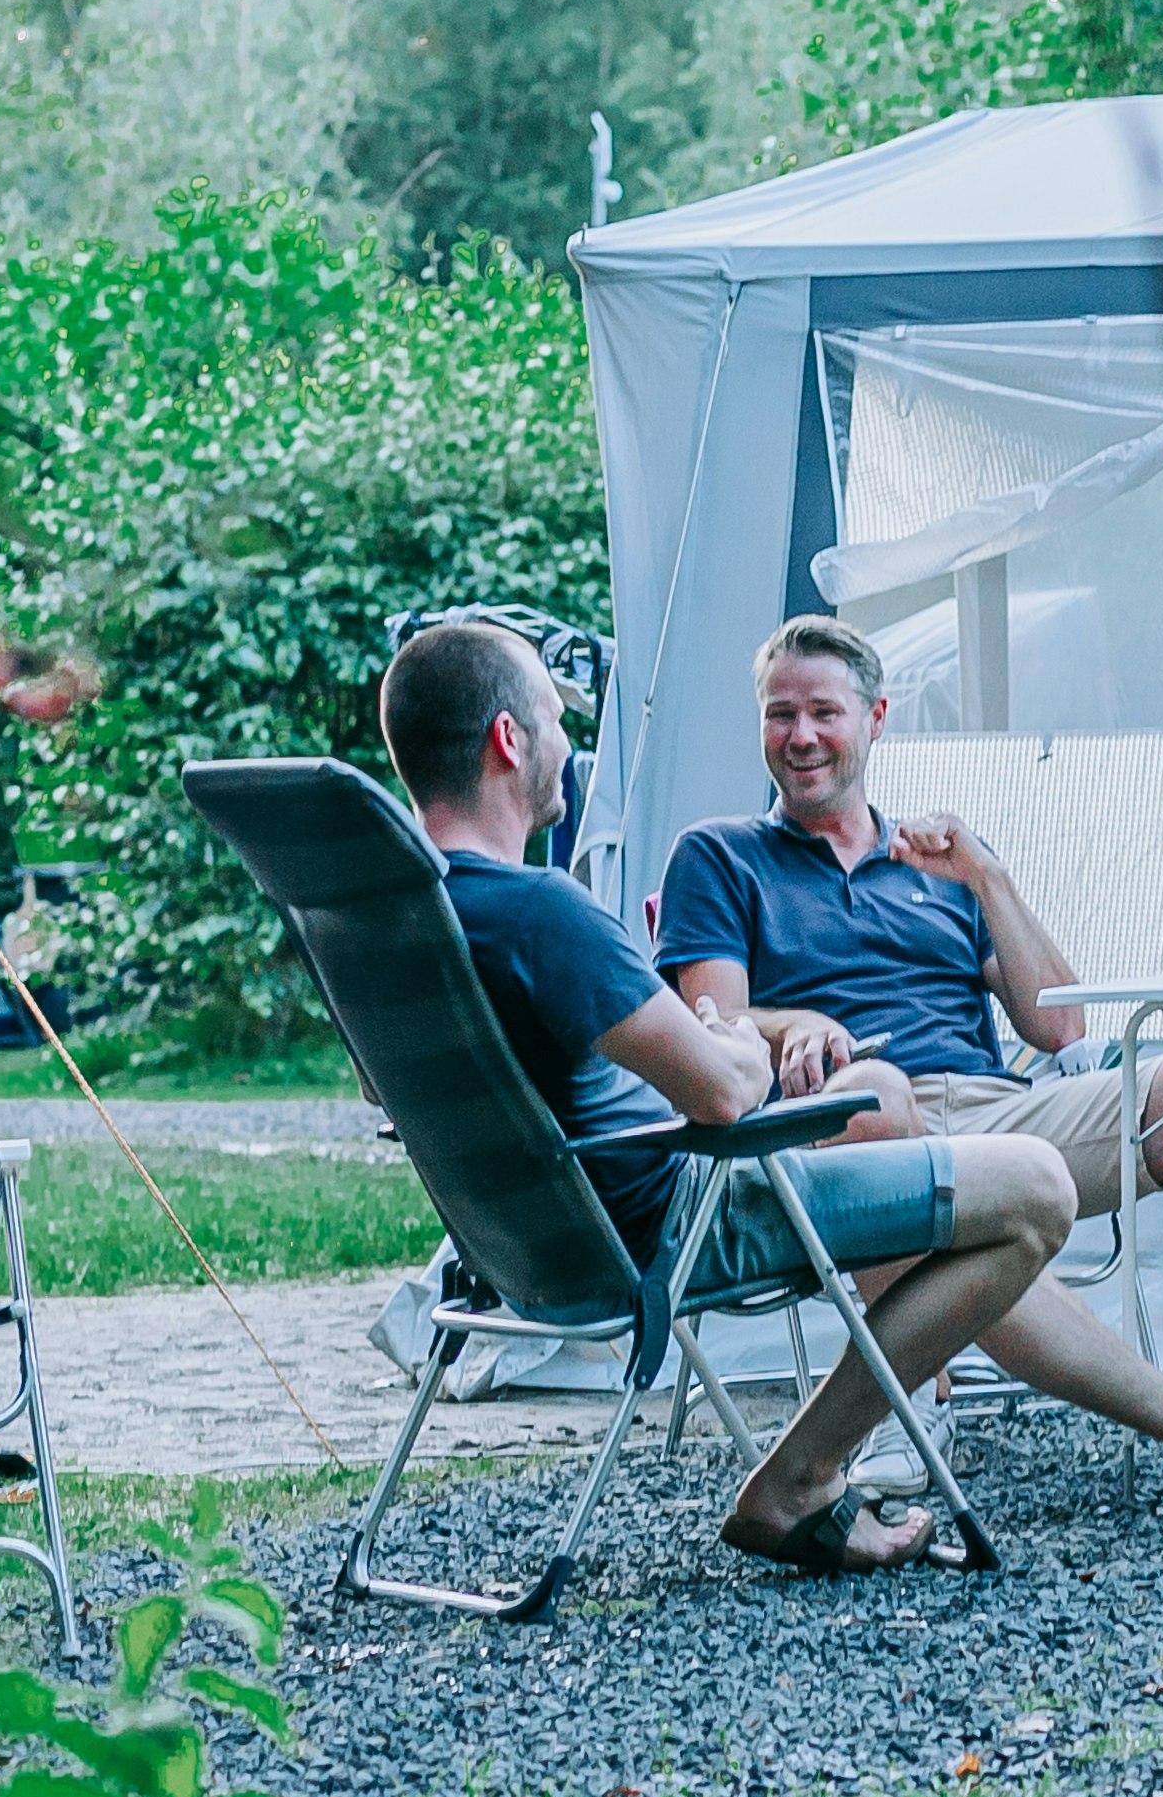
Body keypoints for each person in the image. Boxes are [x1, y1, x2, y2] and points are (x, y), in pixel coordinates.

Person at [654, 614, 1163, 1514]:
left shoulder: (935, 864)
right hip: (843, 1117)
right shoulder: (720, 854)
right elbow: (716, 1019)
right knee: (876, 1097)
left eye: (824, 711)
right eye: (780, 713)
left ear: (876, 719)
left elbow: (1060, 1025)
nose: (801, 736)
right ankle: (910, 1399)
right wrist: (798, 1024)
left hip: (998, 1112)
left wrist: (988, 878)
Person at [379, 617, 1067, 1577]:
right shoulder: (542, 915)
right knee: (1035, 1191)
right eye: (556, 718)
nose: (570, 743)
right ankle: (801, 1473)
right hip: (681, 1222)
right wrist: (739, 1040)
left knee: (955, 1146)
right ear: (508, 739)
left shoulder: (394, 922)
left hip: (518, 1250)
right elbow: (722, 1093)